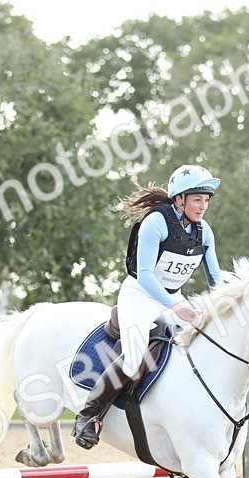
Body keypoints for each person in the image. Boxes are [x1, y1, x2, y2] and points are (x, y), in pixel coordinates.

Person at [72, 164, 224, 449]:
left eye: (206, 200)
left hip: (172, 297)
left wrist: (230, 302)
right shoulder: (157, 221)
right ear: (180, 198)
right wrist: (176, 306)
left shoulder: (204, 232)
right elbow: (145, 274)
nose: (203, 206)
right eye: (197, 199)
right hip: (139, 296)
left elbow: (215, 277)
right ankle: (89, 415)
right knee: (133, 358)